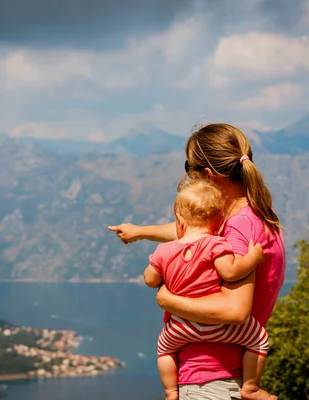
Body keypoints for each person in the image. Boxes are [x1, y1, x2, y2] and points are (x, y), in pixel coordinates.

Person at [108, 123, 285, 400]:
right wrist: (140, 232)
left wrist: (168, 300)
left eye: (188, 167)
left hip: (211, 379)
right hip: (222, 376)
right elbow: (193, 233)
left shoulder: (237, 228)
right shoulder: (253, 214)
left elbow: (235, 310)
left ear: (207, 175)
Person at [142, 177, 273, 400]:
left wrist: (158, 272)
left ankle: (171, 392)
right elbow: (231, 272)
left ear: (179, 220)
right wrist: (253, 258)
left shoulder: (164, 250)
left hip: (180, 328)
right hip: (217, 327)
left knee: (164, 349)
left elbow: (150, 279)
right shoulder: (215, 245)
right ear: (220, 220)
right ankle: (251, 387)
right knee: (258, 338)